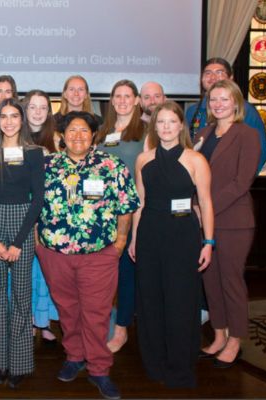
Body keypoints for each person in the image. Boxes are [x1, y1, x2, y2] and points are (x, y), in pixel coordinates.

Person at [37, 111, 137, 400]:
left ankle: (100, 369)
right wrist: (37, 242)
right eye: (71, 130)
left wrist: (119, 242)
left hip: (99, 253)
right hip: (54, 253)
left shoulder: (110, 164)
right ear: (61, 136)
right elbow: (32, 205)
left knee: (96, 312)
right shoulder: (47, 165)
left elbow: (126, 205)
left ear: (93, 135)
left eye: (84, 130)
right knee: (67, 308)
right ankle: (74, 355)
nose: (77, 135)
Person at [127, 100, 215, 388]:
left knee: (181, 300)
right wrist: (135, 239)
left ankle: (180, 365)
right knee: (150, 299)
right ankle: (154, 363)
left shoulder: (196, 160)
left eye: (171, 122)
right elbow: (139, 203)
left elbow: (204, 202)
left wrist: (208, 242)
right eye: (160, 122)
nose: (165, 127)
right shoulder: (144, 160)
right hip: (151, 233)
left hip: (183, 237)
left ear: (180, 126)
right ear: (155, 126)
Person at [0, 98, 46, 389]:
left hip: (22, 224)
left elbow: (38, 199)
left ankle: (18, 364)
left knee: (20, 296)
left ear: (22, 120)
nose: (8, 121)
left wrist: (19, 241)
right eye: (3, 116)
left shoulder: (33, 154)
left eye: (14, 116)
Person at [196, 79, 261, 367]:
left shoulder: (247, 135)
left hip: (233, 219)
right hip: (202, 219)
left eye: (224, 99)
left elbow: (241, 183)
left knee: (230, 281)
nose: (218, 104)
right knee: (209, 279)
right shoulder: (203, 133)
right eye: (213, 100)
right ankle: (219, 334)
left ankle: (236, 339)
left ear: (236, 103)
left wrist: (206, 209)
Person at [97, 79, 148, 353]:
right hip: (103, 213)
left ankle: (121, 329)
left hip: (132, 211)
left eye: (128, 96)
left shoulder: (146, 132)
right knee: (105, 272)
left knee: (127, 271)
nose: (123, 101)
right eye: (118, 96)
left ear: (137, 100)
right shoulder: (104, 131)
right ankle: (106, 321)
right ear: (112, 100)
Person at [19, 90, 63, 344]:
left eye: (43, 107)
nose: (37, 112)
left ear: (49, 112)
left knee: (46, 270)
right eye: (32, 107)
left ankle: (44, 322)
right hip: (21, 211)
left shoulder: (57, 140)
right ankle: (27, 322)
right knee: (24, 271)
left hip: (48, 214)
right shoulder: (15, 137)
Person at [183, 58, 266, 174]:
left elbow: (260, 153)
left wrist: (239, 183)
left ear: (231, 78)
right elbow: (185, 145)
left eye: (219, 72)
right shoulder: (192, 111)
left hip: (230, 185)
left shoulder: (246, 110)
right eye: (207, 73)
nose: (213, 77)